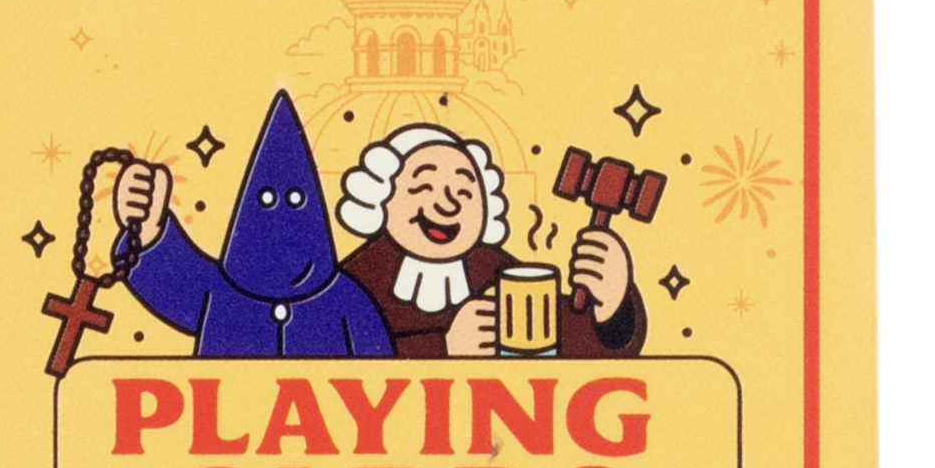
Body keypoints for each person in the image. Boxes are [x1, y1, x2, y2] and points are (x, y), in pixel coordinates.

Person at [111, 92, 392, 357]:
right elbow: (174, 282)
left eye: (296, 200)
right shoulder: (219, 292)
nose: (281, 220)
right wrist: (146, 232)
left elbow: (382, 369)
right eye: (266, 200)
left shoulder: (347, 300)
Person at [336, 125, 645, 358]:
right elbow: (330, 353)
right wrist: (443, 347)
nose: (447, 205)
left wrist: (613, 305)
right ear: (382, 198)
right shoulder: (358, 280)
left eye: (464, 192)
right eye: (424, 187)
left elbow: (576, 342)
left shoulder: (496, 270)